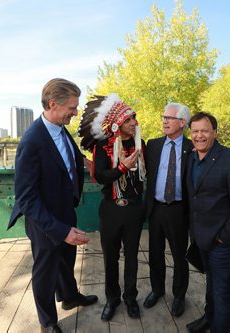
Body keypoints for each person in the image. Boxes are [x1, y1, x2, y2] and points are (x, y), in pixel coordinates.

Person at [8, 78, 98, 333]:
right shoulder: (31, 142)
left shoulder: (59, 127)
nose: (76, 112)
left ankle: (69, 297)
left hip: (65, 209)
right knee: (45, 272)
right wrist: (61, 231)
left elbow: (63, 151)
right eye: (72, 107)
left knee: (66, 260)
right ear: (52, 104)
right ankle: (47, 322)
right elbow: (26, 198)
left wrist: (84, 162)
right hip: (44, 219)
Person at [78, 93, 146, 322]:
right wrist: (122, 168)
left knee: (132, 257)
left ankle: (130, 298)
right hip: (111, 210)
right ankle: (112, 298)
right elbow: (100, 176)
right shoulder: (103, 145)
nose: (134, 123)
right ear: (118, 123)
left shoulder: (140, 145)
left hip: (134, 210)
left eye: (134, 119)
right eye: (129, 120)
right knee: (110, 257)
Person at [185, 112, 230, 333]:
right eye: (195, 131)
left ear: (214, 132)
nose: (199, 135)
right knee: (211, 284)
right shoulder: (192, 158)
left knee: (223, 293)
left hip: (221, 242)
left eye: (204, 130)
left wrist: (225, 237)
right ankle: (209, 319)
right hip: (200, 237)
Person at [143, 103, 193, 317]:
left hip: (179, 210)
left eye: (169, 118)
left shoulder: (192, 147)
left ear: (182, 122)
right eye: (163, 117)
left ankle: (179, 296)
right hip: (155, 208)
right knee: (155, 253)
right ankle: (157, 289)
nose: (164, 121)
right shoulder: (152, 145)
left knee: (180, 255)